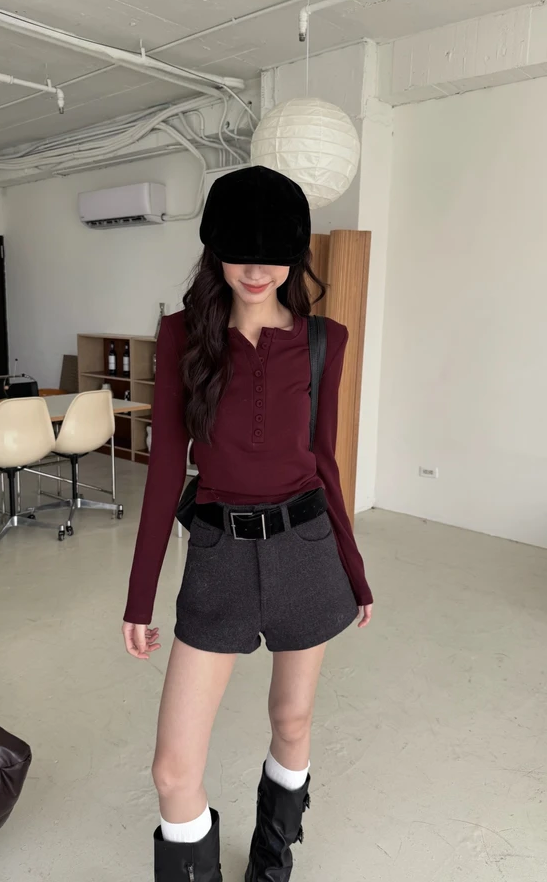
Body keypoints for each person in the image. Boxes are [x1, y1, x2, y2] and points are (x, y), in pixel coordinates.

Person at [122, 166, 373, 881]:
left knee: (292, 721)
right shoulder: (182, 337)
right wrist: (140, 599)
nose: (257, 271)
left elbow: (325, 463)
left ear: (296, 255)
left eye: (274, 254)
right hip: (218, 557)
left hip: (306, 551)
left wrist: (356, 573)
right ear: (215, 251)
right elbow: (164, 472)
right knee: (173, 770)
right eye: (241, 253)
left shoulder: (325, 341)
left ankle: (272, 860)